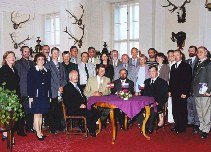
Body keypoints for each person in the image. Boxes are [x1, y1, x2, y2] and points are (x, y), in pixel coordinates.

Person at [63, 70, 101, 137]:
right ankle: (90, 129)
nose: (76, 77)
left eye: (77, 75)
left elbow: (82, 98)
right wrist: (79, 106)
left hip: (82, 107)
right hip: (73, 109)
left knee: (97, 111)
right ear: (70, 77)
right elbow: (67, 102)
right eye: (74, 76)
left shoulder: (78, 86)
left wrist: (87, 104)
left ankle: (86, 125)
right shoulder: (67, 87)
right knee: (89, 113)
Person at [27, 53, 51, 141]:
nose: (41, 61)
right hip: (36, 95)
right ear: (36, 61)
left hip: (44, 95)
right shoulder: (32, 70)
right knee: (36, 114)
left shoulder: (47, 71)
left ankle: (40, 131)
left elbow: (48, 85)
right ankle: (37, 133)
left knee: (41, 114)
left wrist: (49, 95)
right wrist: (31, 96)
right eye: (39, 59)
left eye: (42, 59)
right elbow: (29, 84)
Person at [0, 51, 22, 140]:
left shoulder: (15, 69)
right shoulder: (3, 69)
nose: (12, 58)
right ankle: (7, 135)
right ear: (5, 59)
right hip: (7, 97)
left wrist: (18, 95)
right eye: (10, 57)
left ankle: (7, 134)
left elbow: (16, 84)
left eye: (13, 56)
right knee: (8, 116)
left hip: (14, 96)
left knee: (12, 117)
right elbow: (2, 84)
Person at [169, 50, 192, 134]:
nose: (175, 57)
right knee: (175, 109)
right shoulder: (173, 66)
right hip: (174, 92)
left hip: (182, 92)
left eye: (177, 55)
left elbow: (188, 80)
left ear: (181, 55)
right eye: (174, 55)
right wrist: (169, 90)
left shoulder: (186, 66)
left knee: (182, 109)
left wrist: (185, 92)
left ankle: (182, 127)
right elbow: (171, 80)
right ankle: (177, 124)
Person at [45, 47, 67, 134]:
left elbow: (64, 78)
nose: (56, 54)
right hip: (52, 91)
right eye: (54, 53)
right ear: (51, 54)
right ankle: (52, 128)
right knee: (52, 110)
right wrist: (57, 87)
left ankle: (59, 126)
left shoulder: (61, 65)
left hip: (60, 91)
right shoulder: (47, 65)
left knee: (59, 109)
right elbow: (49, 79)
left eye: (57, 53)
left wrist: (62, 86)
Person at [140, 66, 168, 133]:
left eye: (153, 71)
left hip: (157, 103)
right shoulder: (146, 81)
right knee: (138, 108)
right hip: (146, 103)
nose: (151, 73)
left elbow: (164, 96)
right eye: (150, 71)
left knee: (152, 110)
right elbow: (142, 93)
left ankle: (150, 127)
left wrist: (157, 102)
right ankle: (144, 126)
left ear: (157, 72)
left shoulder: (163, 82)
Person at [15, 46, 35, 133]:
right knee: (22, 111)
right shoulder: (18, 63)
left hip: (31, 90)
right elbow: (17, 78)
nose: (27, 53)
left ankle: (29, 127)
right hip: (23, 90)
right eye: (25, 51)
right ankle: (20, 130)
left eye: (28, 52)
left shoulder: (32, 63)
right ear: (22, 53)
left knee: (30, 110)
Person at [192, 46, 211, 139]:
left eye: (201, 52)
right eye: (198, 52)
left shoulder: (209, 63)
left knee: (206, 111)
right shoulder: (197, 63)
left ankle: (206, 129)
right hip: (197, 90)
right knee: (199, 111)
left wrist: (209, 90)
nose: (199, 53)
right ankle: (202, 127)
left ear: (206, 53)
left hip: (205, 91)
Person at [186, 46, 200, 133]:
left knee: (196, 107)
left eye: (192, 50)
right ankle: (191, 122)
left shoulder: (199, 61)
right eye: (189, 50)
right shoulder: (187, 61)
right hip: (187, 87)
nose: (190, 51)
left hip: (196, 87)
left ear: (196, 52)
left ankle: (197, 124)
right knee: (189, 106)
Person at [167, 50, 175, 124]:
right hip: (168, 87)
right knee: (169, 104)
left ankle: (174, 120)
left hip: (174, 88)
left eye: (172, 55)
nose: (170, 57)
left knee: (174, 105)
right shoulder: (168, 64)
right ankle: (170, 120)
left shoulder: (175, 65)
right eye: (169, 56)